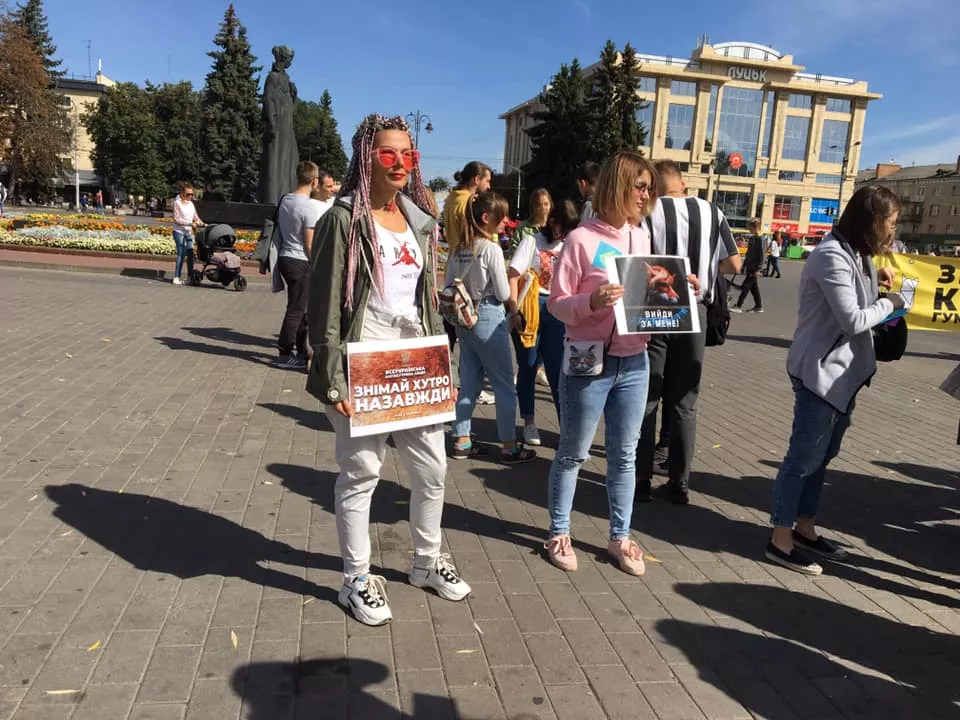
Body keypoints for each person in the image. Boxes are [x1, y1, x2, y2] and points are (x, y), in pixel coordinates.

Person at [307, 114, 471, 625]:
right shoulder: (343, 220)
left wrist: (444, 364)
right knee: (361, 473)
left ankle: (426, 562)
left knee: (433, 469)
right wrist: (332, 378)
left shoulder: (419, 219)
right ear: (366, 157)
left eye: (408, 155)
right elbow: (324, 304)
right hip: (365, 357)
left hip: (417, 360)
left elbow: (422, 299)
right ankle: (356, 578)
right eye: (388, 154)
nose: (400, 163)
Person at [766, 185, 906, 575]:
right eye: (891, 222)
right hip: (820, 376)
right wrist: (891, 303)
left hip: (843, 376)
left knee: (822, 457)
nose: (893, 229)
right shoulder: (831, 255)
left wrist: (876, 283)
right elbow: (854, 319)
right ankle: (780, 539)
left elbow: (857, 303)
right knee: (801, 460)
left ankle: (805, 527)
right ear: (871, 221)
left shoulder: (858, 254)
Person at [544, 151, 665, 576]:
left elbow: (645, 298)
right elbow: (557, 304)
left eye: (649, 188)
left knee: (624, 456)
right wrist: (590, 302)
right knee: (573, 453)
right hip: (587, 359)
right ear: (617, 186)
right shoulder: (581, 240)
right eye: (640, 186)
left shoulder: (642, 237)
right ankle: (559, 531)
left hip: (634, 361)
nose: (646, 195)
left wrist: (674, 290)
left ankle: (620, 535)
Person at [636, 160, 741, 504]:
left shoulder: (648, 211)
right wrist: (704, 268)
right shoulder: (711, 212)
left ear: (655, 186)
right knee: (685, 401)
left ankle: (639, 480)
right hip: (694, 309)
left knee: (647, 396)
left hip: (655, 307)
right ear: (682, 183)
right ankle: (679, 482)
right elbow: (734, 263)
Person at [447, 191, 535, 464]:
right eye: (502, 216)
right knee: (504, 384)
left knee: (469, 382)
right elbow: (502, 291)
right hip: (487, 315)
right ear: (486, 218)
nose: (506, 221)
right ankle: (509, 446)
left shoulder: (458, 247)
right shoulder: (491, 249)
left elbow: (448, 284)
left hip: (463, 318)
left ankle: (462, 439)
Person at [507, 199, 578, 445]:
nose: (565, 234)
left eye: (570, 229)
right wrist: (514, 311)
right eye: (562, 228)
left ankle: (566, 429)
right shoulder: (532, 241)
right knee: (528, 365)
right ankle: (529, 422)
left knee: (558, 371)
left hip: (559, 310)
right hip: (532, 307)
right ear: (553, 222)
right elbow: (513, 276)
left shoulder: (570, 244)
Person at [441, 161, 494, 404]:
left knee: (452, 332)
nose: (489, 185)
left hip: (454, 265)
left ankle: (448, 382)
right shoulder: (469, 202)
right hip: (470, 269)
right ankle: (470, 387)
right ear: (476, 179)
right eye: (487, 180)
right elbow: (475, 233)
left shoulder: (451, 198)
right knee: (470, 336)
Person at [274, 161, 324, 369]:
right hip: (300, 260)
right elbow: (309, 243)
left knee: (301, 307)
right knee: (296, 309)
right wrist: (318, 263)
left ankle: (303, 351)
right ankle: (284, 354)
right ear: (314, 181)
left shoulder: (286, 200)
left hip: (285, 256)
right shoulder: (308, 207)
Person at [172, 182, 204, 286]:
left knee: (190, 253)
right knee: (181, 253)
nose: (190, 196)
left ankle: (190, 277)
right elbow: (177, 219)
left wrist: (201, 222)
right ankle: (176, 277)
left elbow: (195, 216)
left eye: (192, 194)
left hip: (188, 231)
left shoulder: (191, 204)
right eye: (188, 194)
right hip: (179, 231)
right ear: (182, 193)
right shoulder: (177, 203)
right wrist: (190, 223)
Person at [731, 218, 764, 313]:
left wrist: (759, 269)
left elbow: (762, 255)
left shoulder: (760, 239)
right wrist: (744, 265)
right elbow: (748, 254)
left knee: (746, 287)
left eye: (750, 227)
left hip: (755, 267)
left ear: (755, 227)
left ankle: (738, 306)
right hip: (750, 266)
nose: (748, 229)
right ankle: (758, 306)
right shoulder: (752, 238)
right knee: (753, 288)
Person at [510, 188, 552, 256]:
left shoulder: (554, 227)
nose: (543, 208)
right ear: (533, 207)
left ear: (551, 205)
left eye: (546, 204)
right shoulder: (522, 228)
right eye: (538, 205)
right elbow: (513, 249)